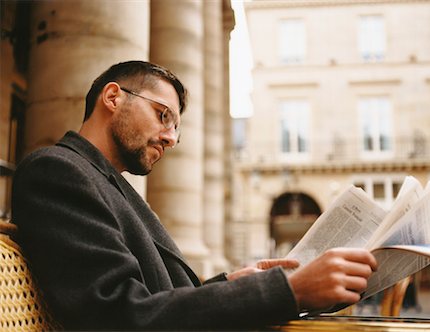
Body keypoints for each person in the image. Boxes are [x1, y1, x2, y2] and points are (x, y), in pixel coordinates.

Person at [12, 60, 377, 331]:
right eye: (162, 115)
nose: (170, 138)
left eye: (176, 129)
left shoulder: (107, 181)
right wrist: (287, 290)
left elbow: (157, 296)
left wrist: (232, 284)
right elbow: (117, 315)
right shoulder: (58, 171)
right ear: (112, 97)